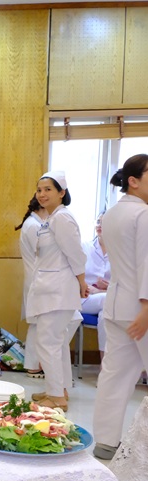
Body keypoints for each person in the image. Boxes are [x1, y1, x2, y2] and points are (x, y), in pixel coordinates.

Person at [92, 154, 148, 460]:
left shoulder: (112, 214)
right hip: (140, 309)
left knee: (114, 375)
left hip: (115, 306)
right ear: (134, 181)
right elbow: (147, 265)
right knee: (116, 374)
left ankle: (106, 441)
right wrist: (146, 309)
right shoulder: (143, 214)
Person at [25, 171, 88, 412]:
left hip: (58, 292)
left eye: (48, 189)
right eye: (39, 190)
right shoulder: (52, 219)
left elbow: (75, 254)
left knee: (48, 342)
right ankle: (59, 389)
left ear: (62, 193)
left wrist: (82, 282)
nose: (42, 194)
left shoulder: (62, 218)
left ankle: (57, 397)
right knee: (55, 343)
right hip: (51, 290)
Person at [15, 195, 48, 377]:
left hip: (37, 279)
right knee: (38, 324)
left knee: (38, 323)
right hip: (38, 279)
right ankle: (36, 365)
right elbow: (45, 254)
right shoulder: (35, 226)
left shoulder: (32, 224)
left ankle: (37, 364)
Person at [80, 213, 110, 360]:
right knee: (108, 302)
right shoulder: (85, 247)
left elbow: (126, 282)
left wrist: (105, 288)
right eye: (98, 221)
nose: (99, 225)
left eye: (104, 222)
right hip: (84, 298)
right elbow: (74, 274)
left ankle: (105, 363)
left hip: (108, 297)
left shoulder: (120, 251)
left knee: (106, 314)